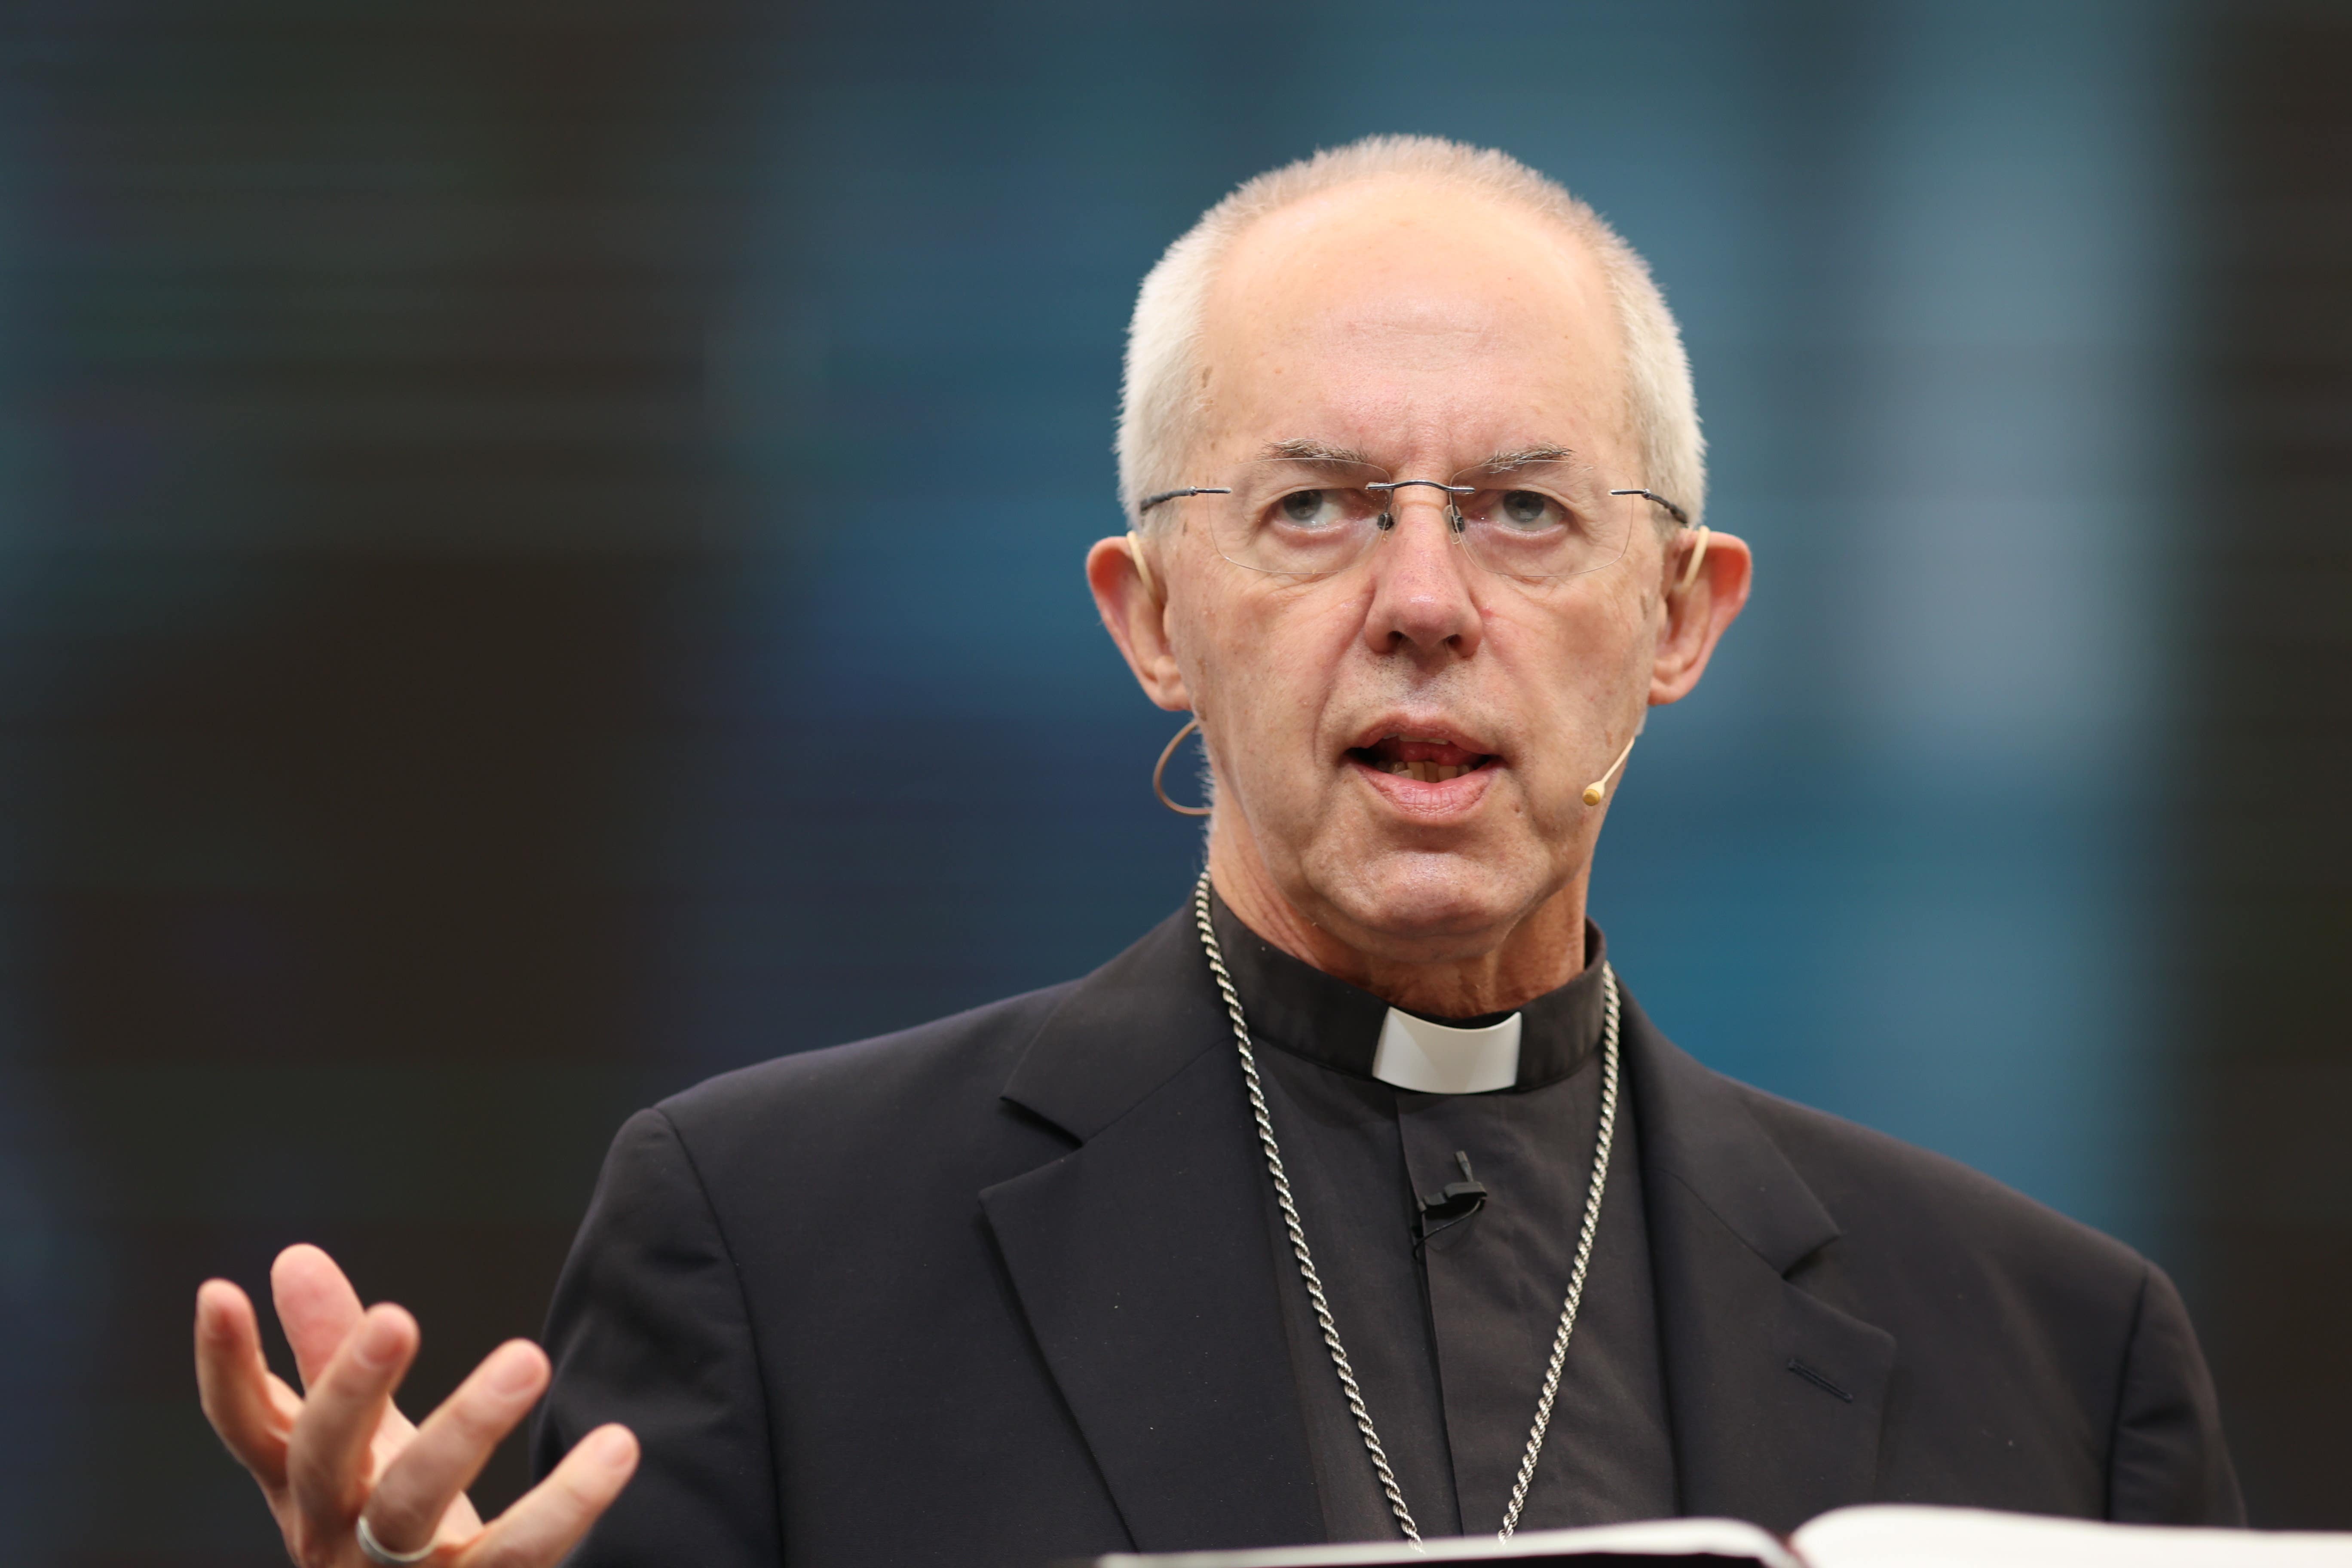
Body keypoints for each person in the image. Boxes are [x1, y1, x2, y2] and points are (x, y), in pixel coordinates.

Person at [194, 136, 2241, 1568]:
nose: (1427, 596)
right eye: (1317, 508)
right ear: (1150, 616)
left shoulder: (2061, 1355)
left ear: (1683, 618)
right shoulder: (770, 1245)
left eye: (1526, 510)